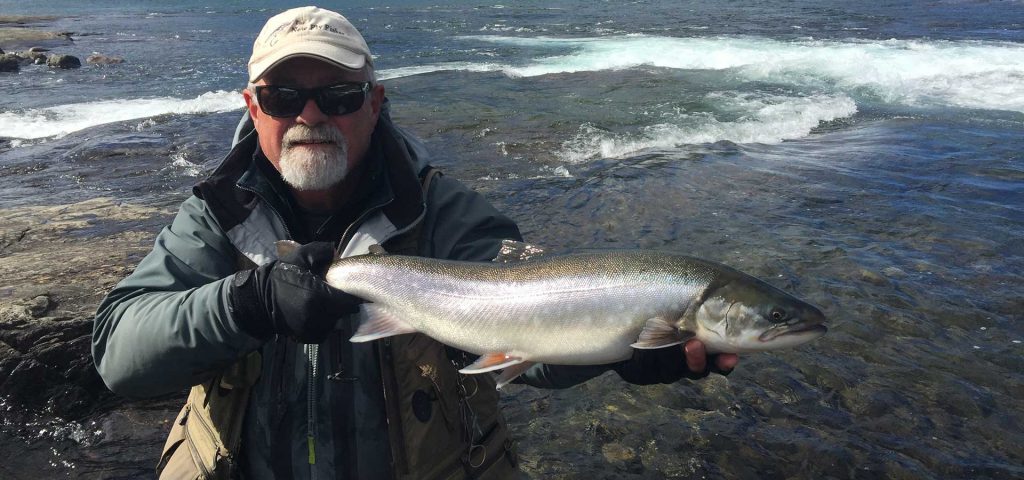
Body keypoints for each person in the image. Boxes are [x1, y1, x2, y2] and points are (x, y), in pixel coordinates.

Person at [92, 6, 738, 479]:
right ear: (253, 106)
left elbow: (523, 339)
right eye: (284, 96)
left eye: (338, 96)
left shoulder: (449, 213)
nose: (310, 117)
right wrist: (244, 305)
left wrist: (617, 348)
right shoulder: (212, 214)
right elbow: (120, 356)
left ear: (375, 103)